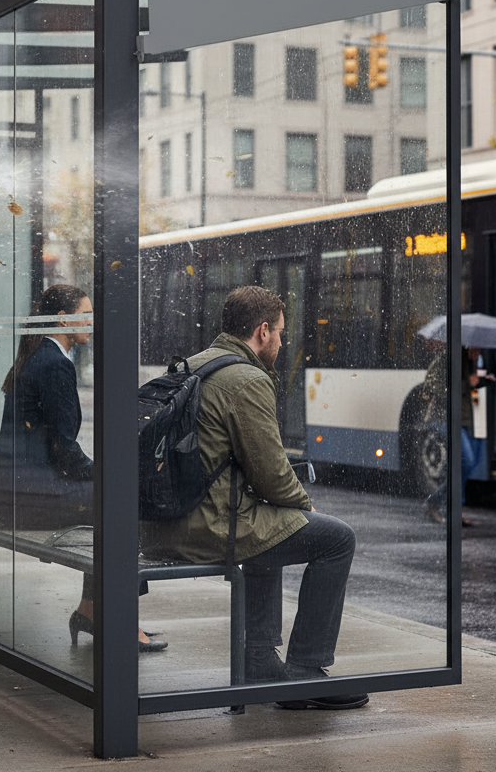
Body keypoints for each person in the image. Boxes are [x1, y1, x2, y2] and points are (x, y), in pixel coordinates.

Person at [142, 285, 368, 710]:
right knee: (337, 539)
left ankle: (260, 660)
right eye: (281, 333)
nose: (283, 343)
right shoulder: (246, 380)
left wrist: (285, 505)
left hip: (164, 520)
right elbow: (271, 474)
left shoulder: (195, 364)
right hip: (205, 526)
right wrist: (304, 504)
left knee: (272, 525)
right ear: (262, 331)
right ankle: (306, 671)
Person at [0, 284, 166, 652]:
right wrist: (107, 476)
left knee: (107, 503)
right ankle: (118, 619)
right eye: (86, 312)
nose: (92, 320)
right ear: (64, 319)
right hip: (27, 497)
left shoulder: (40, 357)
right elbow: (65, 452)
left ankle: (90, 609)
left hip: (11, 495)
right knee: (122, 504)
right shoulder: (55, 365)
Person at [422, 345, 489, 527]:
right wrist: (468, 382)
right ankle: (437, 502)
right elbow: (432, 384)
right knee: (465, 462)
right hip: (443, 419)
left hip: (462, 420)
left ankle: (451, 509)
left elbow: (468, 390)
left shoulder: (471, 362)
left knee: (463, 465)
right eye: (478, 348)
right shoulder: (448, 356)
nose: (480, 352)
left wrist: (483, 380)